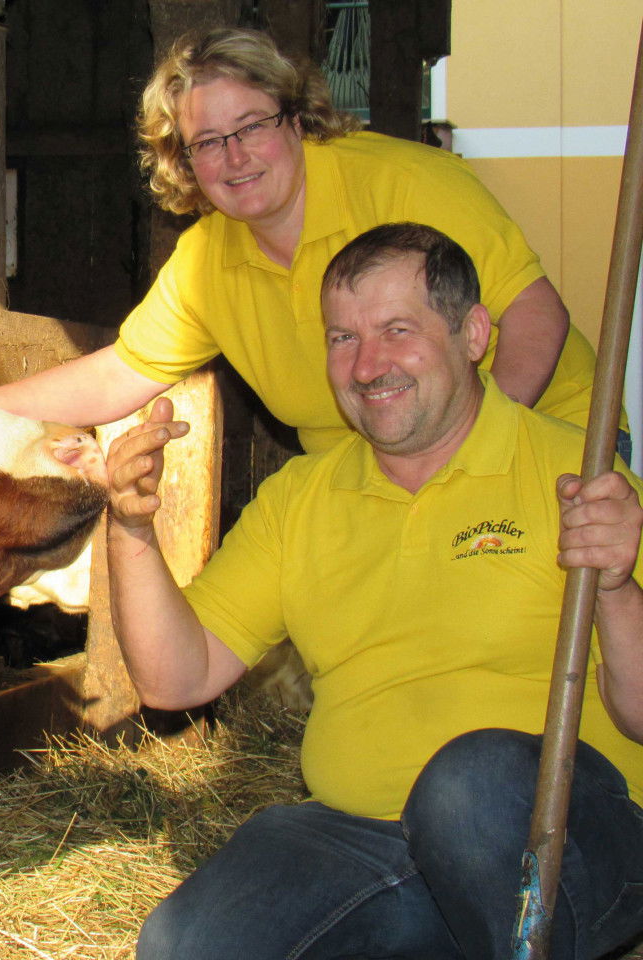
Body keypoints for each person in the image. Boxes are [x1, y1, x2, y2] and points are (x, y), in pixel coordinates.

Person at [106, 222, 643, 959]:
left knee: (468, 786)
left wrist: (615, 584)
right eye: (341, 339)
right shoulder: (302, 499)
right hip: (364, 842)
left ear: (475, 334)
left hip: (560, 838)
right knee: (185, 943)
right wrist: (131, 530)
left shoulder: (579, 481)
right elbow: (176, 676)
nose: (367, 365)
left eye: (397, 329)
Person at [0, 27, 613, 458]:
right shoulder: (209, 261)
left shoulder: (403, 183)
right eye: (206, 143)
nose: (236, 157)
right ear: (180, 162)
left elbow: (535, 314)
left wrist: (473, 453)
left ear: (295, 117)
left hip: (549, 436)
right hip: (376, 482)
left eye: (251, 126)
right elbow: (122, 372)